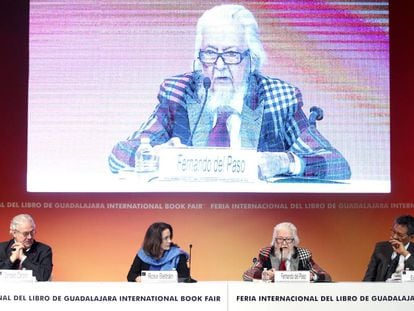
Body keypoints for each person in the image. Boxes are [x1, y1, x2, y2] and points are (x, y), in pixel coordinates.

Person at [108, 4, 351, 181]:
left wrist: (286, 162)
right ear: (199, 57)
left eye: (232, 54)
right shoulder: (178, 92)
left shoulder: (279, 98)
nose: (220, 66)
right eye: (210, 54)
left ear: (252, 59)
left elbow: (337, 164)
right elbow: (119, 155)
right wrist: (156, 156)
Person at [243, 222, 331, 282]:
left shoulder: (303, 255)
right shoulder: (265, 253)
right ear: (274, 240)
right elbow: (246, 275)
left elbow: (326, 276)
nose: (284, 243)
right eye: (280, 239)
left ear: (294, 241)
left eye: (288, 239)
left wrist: (313, 276)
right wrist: (264, 275)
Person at [0, 214, 53, 281]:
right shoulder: (1, 249)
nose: (29, 237)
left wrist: (23, 258)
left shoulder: (44, 250)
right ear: (14, 233)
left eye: (32, 232)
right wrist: (12, 259)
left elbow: (43, 276)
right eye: (25, 233)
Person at [363, 215, 414, 282]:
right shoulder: (381, 247)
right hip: (380, 290)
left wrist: (405, 253)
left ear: (411, 237)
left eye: (400, 235)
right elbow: (369, 275)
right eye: (393, 232)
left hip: (405, 291)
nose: (395, 237)